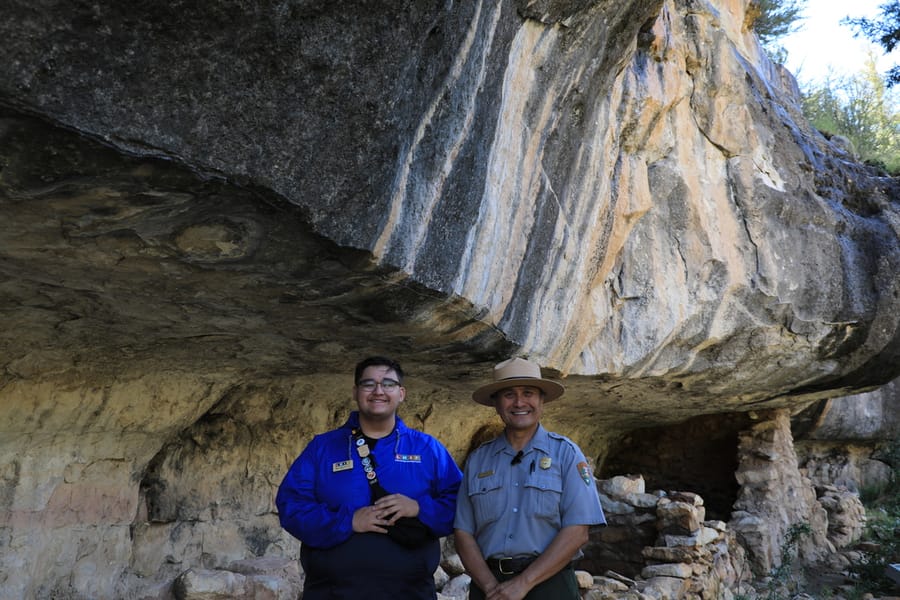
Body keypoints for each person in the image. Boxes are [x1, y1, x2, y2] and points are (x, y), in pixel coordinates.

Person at [276, 356, 462, 599]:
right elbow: (291, 506)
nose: (378, 391)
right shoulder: (323, 448)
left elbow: (462, 504)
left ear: (402, 393)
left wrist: (419, 507)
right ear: (355, 392)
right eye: (368, 384)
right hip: (332, 592)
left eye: (388, 384)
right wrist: (348, 521)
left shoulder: (428, 449)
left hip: (410, 592)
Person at [454, 357, 606, 600]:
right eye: (509, 395)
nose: (519, 402)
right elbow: (463, 532)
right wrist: (492, 587)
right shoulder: (478, 460)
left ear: (541, 400)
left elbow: (578, 531)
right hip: (488, 586)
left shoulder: (566, 454)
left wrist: (522, 583)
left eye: (528, 393)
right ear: (496, 403)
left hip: (550, 585)